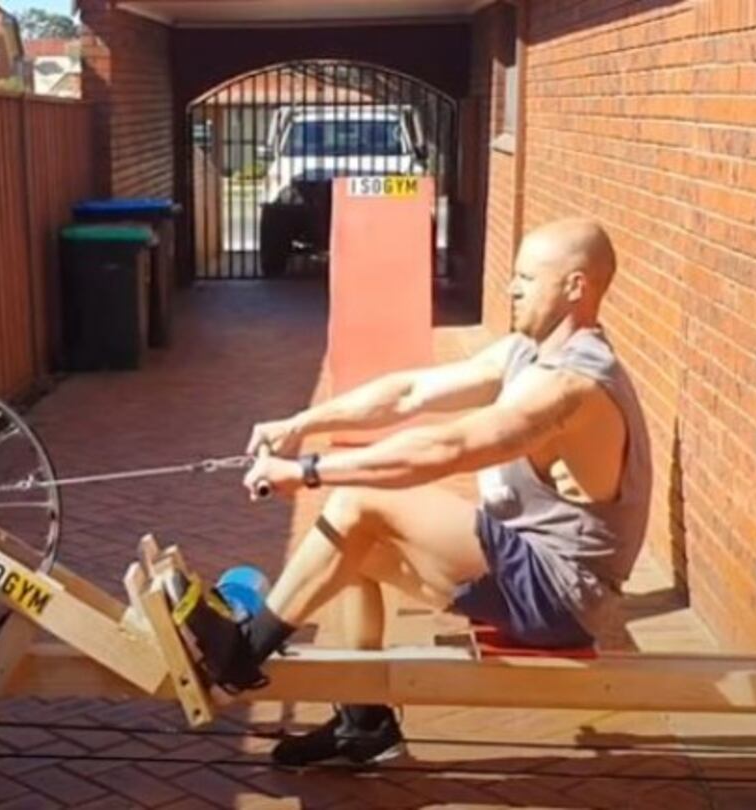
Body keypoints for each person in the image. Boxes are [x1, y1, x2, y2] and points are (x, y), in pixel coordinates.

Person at [172, 218, 653, 768]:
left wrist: (308, 469)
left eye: (525, 278)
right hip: (528, 569)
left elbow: (448, 447)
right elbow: (410, 392)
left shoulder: (575, 383)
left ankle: (240, 653)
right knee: (351, 545)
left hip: (561, 595)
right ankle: (365, 722)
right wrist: (302, 421)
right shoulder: (528, 352)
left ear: (575, 287)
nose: (509, 288)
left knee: (359, 501)